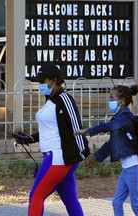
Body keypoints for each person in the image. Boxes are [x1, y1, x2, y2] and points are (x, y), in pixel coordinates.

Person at [27, 63, 90, 216]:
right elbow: (52, 130)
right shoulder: (50, 101)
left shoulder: (64, 99)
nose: (40, 84)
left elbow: (76, 127)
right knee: (70, 199)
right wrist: (30, 138)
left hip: (60, 157)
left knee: (36, 196)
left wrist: (85, 153)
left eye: (43, 81)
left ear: (54, 81)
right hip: (54, 157)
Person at [74, 85, 138, 216]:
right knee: (117, 203)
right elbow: (111, 143)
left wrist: (87, 131)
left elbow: (109, 126)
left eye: (112, 98)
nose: (109, 101)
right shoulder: (119, 118)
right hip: (127, 169)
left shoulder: (126, 118)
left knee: (135, 204)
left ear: (122, 101)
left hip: (134, 168)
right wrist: (95, 157)